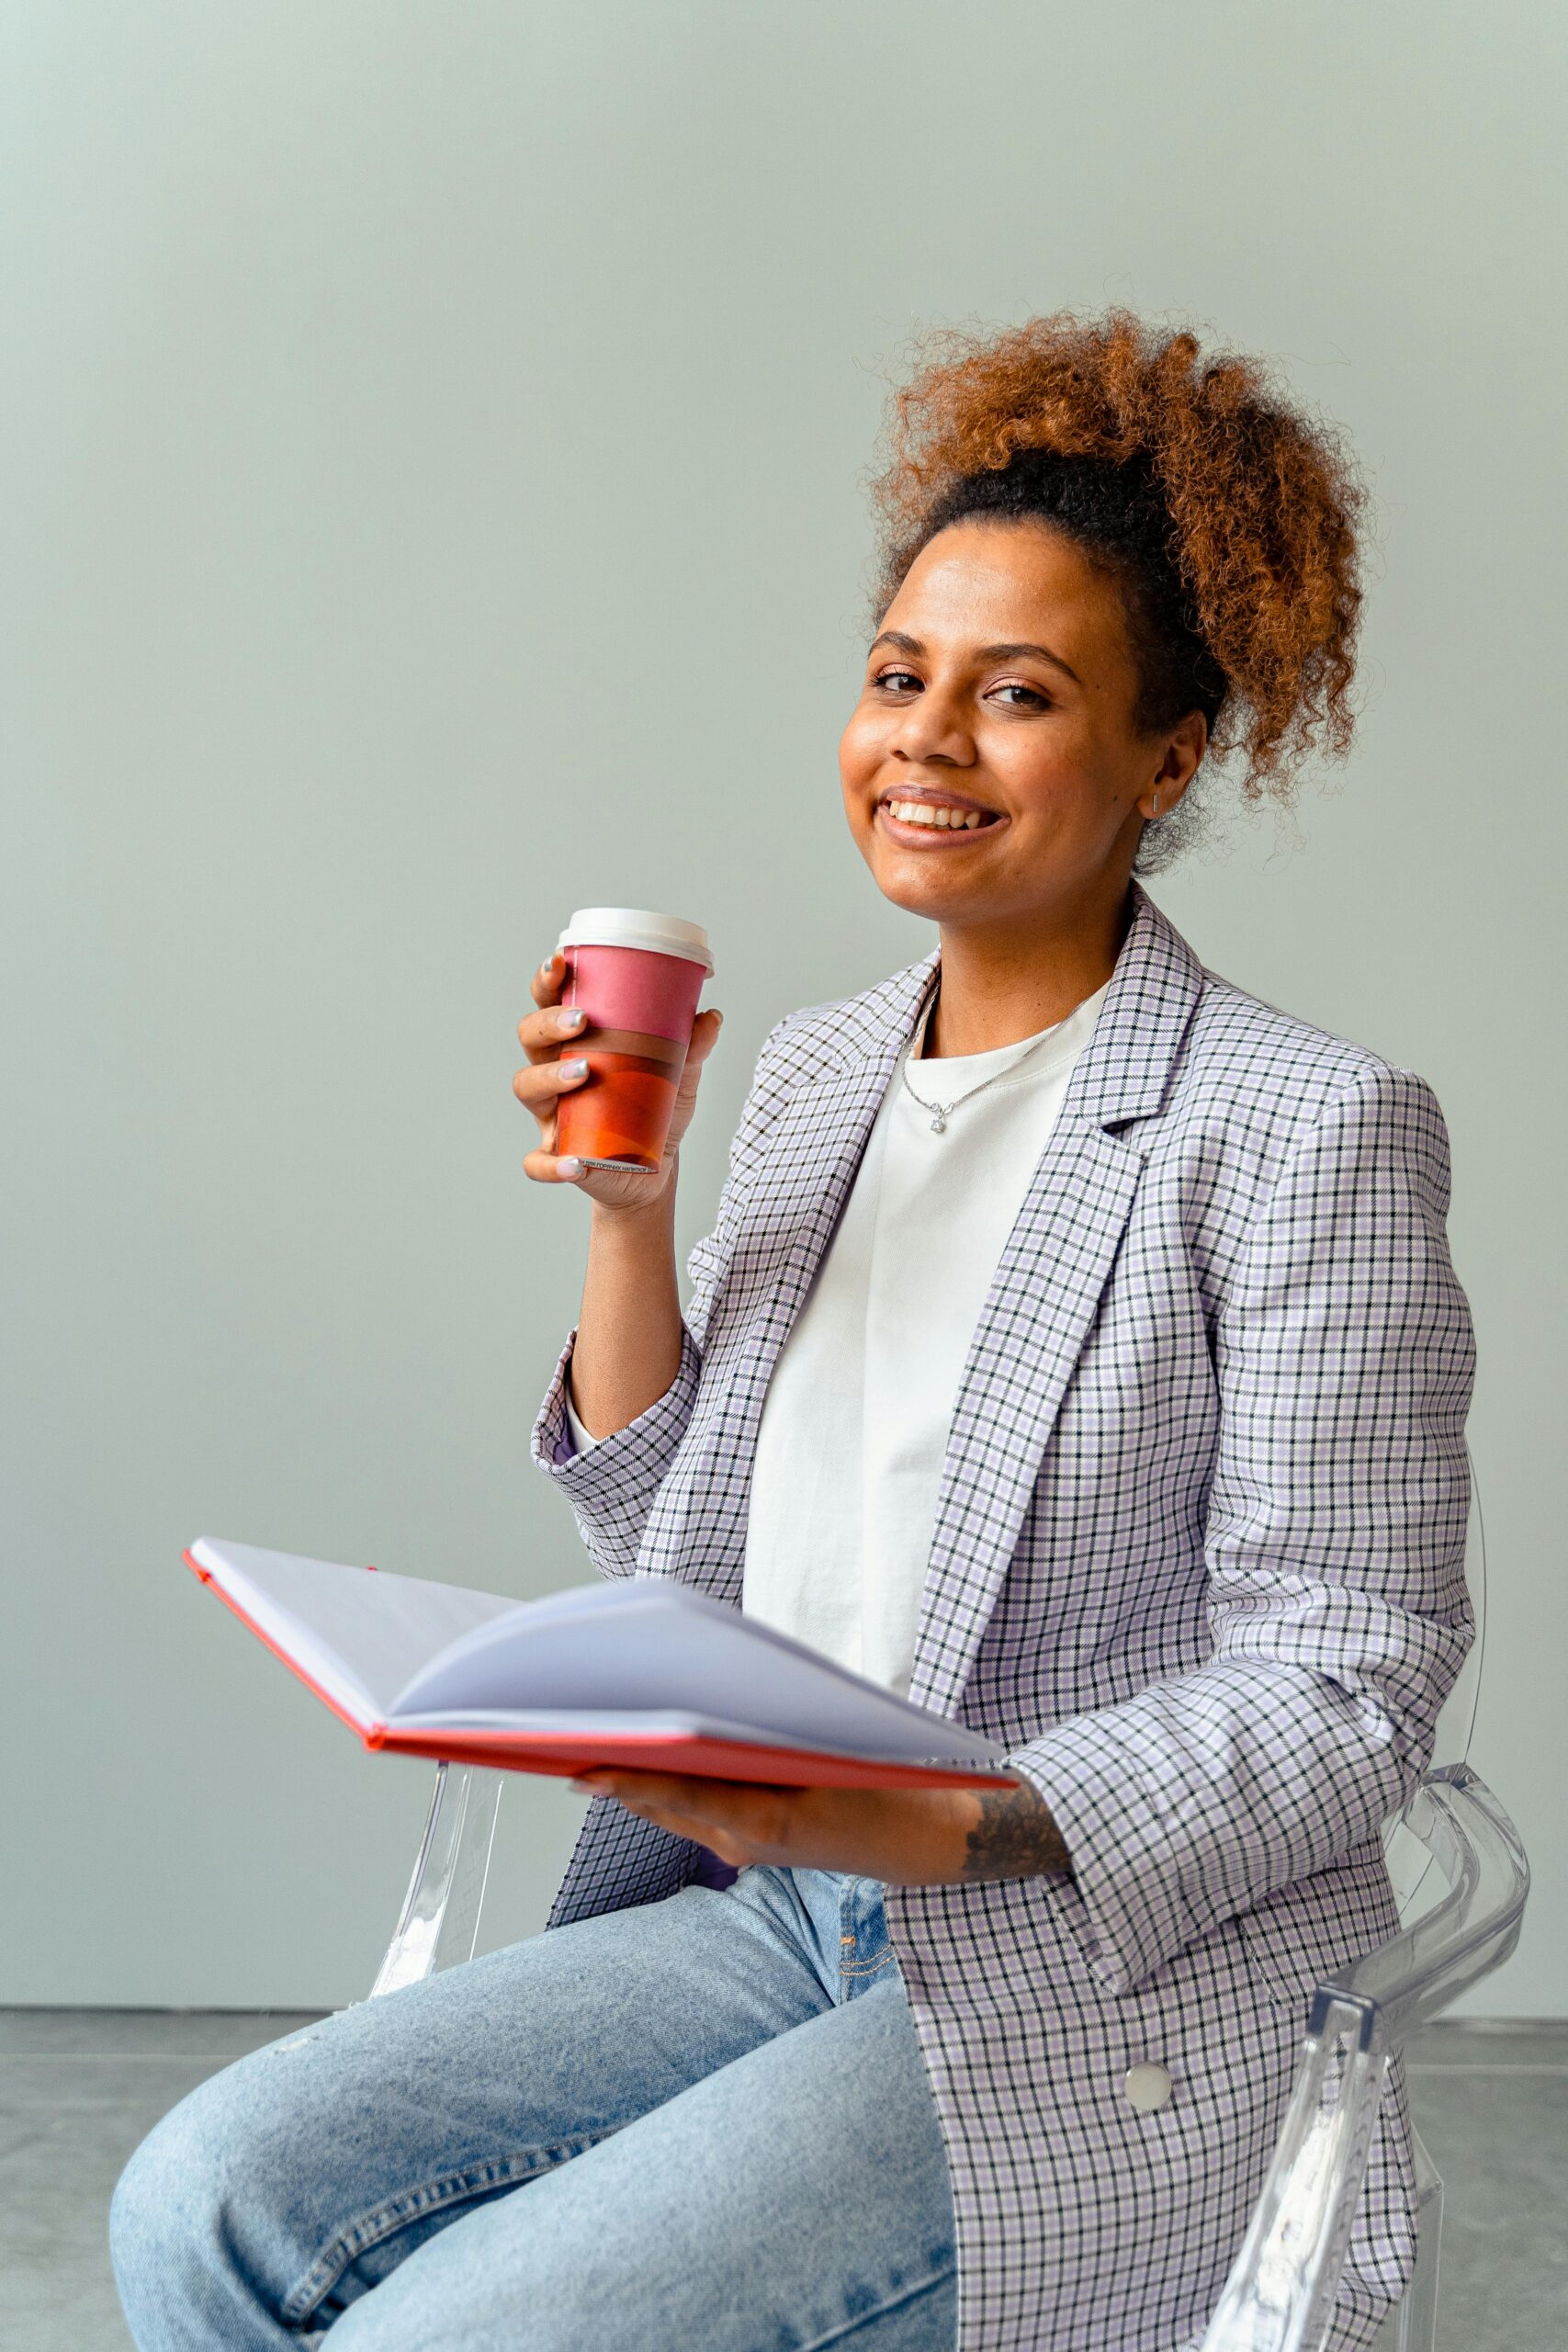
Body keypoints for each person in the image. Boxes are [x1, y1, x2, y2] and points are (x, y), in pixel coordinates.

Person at [111, 311, 1475, 2352]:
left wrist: (950, 1818)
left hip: (1078, 1972)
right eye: (893, 675)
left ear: (1163, 756)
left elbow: (1350, 1676)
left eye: (1015, 694)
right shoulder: (827, 1070)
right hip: (770, 1915)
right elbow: (680, 1539)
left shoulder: (1297, 1125)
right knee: (195, 2202)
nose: (924, 736)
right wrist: (627, 1214)